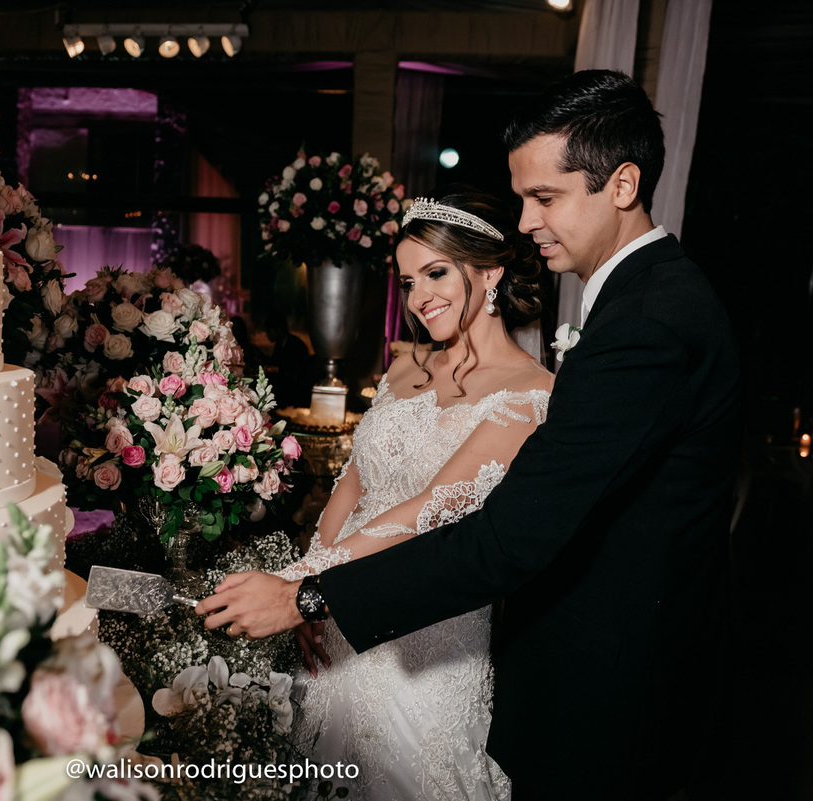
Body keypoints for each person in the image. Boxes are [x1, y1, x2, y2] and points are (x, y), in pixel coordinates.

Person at [197, 70, 741, 800]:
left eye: (544, 197)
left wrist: (307, 596)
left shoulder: (646, 321)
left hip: (603, 688)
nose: (524, 221)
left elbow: (509, 537)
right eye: (521, 199)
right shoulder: (646, 301)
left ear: (621, 183)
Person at [270, 188, 552, 800]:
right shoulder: (403, 368)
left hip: (432, 638)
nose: (420, 296)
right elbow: (351, 486)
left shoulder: (532, 394)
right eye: (407, 280)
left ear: (491, 271)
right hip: (338, 618)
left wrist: (305, 584)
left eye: (437, 272)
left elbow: (427, 512)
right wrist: (314, 599)